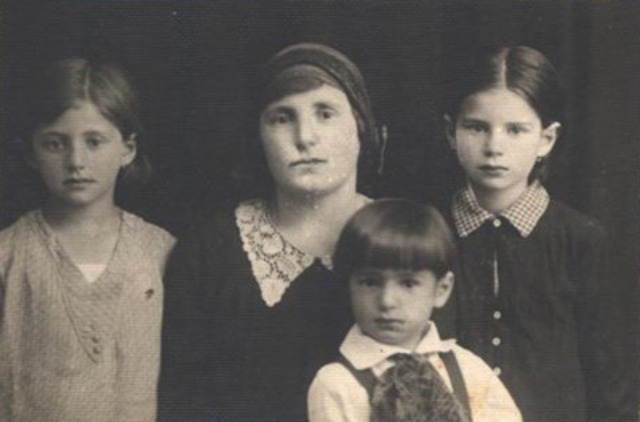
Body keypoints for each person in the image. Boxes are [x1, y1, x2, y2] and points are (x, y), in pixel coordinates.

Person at [158, 43, 383, 421]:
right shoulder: (209, 250)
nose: (305, 136)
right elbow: (182, 400)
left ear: (360, 128)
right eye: (282, 118)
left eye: (325, 114)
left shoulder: (407, 237)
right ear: (258, 137)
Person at [441, 45, 637, 421]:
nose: (494, 147)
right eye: (476, 127)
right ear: (451, 132)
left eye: (515, 130)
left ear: (546, 139)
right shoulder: (428, 230)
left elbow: (611, 384)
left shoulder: (582, 241)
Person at [0, 58, 175, 422]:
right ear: (31, 152)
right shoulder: (9, 255)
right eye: (55, 144)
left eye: (94, 142)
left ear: (127, 149)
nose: (76, 160)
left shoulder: (162, 253)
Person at [308, 199, 521, 422]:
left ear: (441, 290)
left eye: (408, 284)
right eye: (370, 282)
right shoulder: (337, 384)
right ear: (348, 286)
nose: (387, 301)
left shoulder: (468, 369)